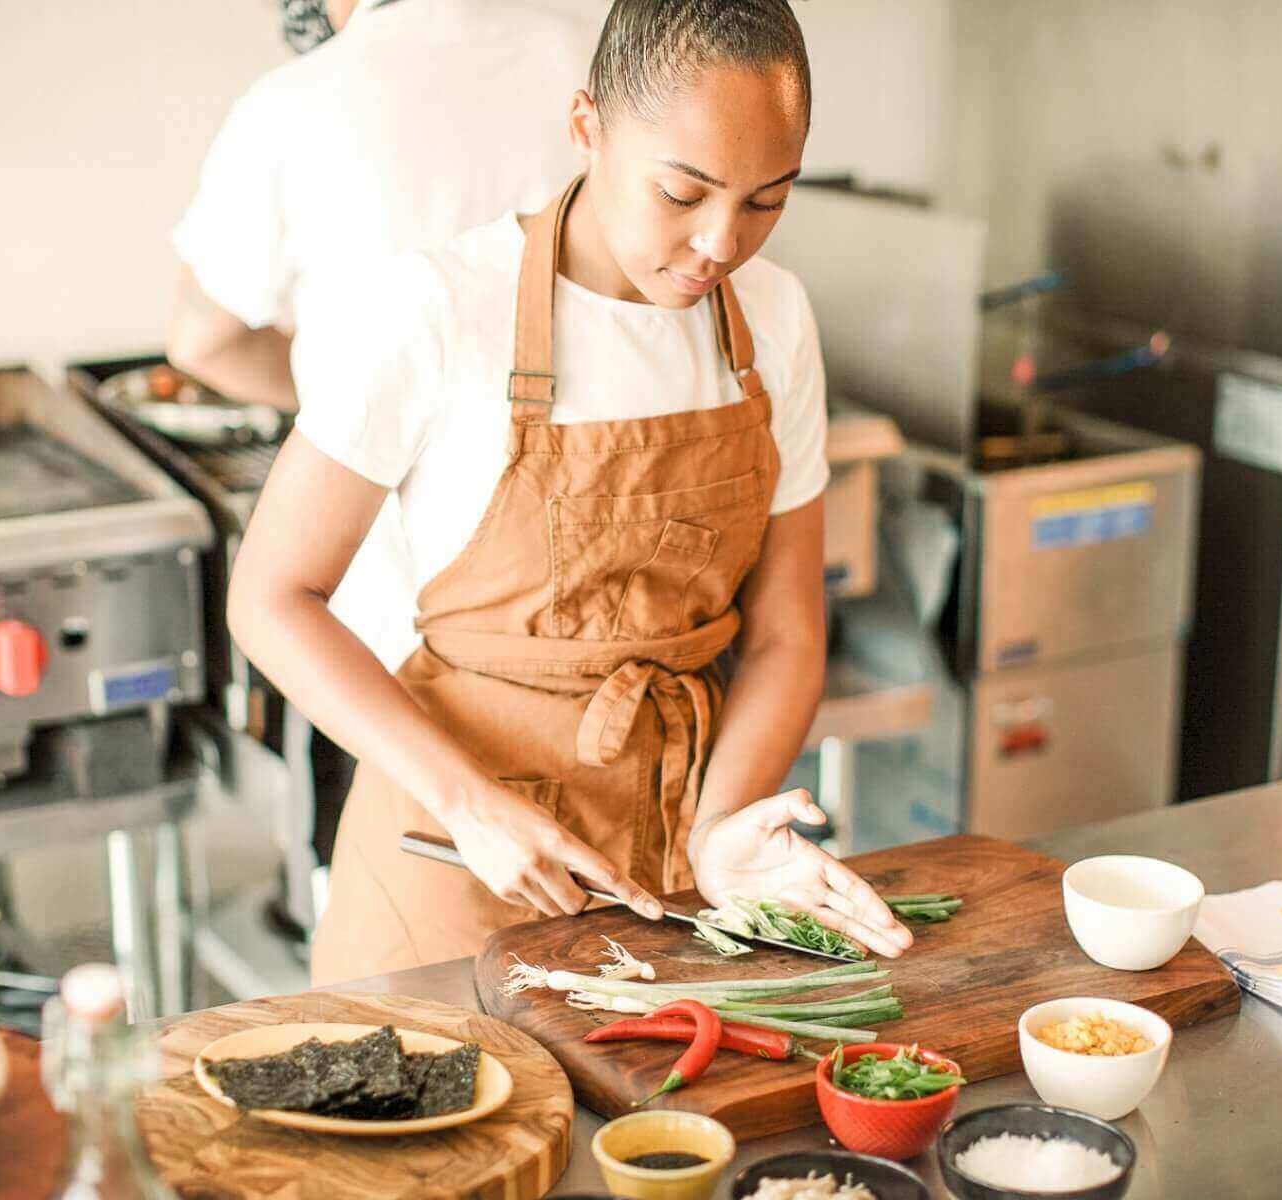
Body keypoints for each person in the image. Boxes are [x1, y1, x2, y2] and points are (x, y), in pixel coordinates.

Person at [228, 0, 913, 984]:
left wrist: (721, 829)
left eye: (767, 201)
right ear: (587, 125)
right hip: (455, 860)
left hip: (672, 862)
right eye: (684, 192)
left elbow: (786, 634)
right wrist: (467, 804)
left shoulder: (773, 320)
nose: (721, 242)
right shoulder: (441, 308)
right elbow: (270, 597)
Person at [167, 0, 603, 901]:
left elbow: (199, 342)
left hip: (390, 668)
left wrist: (361, 412)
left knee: (401, 977)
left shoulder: (295, 103)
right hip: (600, 633)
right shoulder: (597, 50)